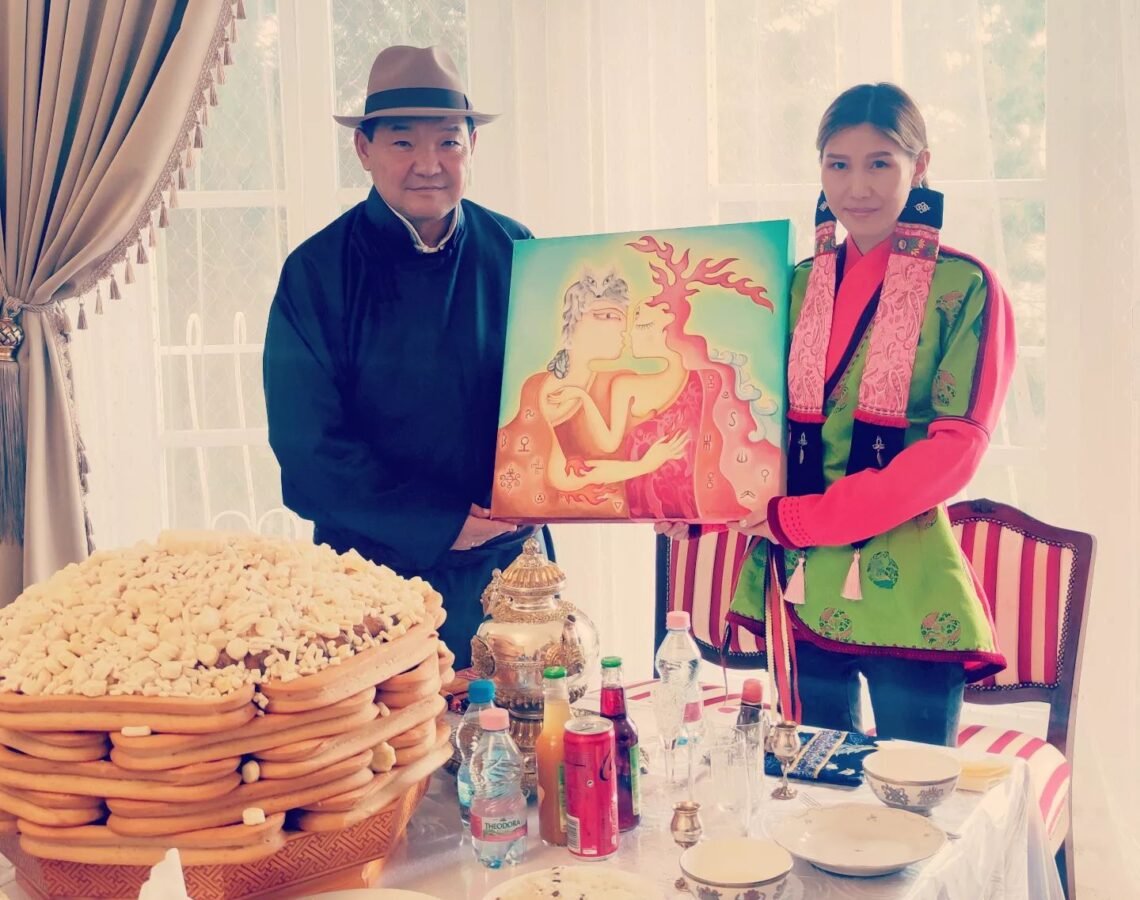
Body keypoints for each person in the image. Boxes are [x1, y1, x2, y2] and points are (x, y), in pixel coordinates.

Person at [667, 83, 1016, 746]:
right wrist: (695, 504)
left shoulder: (964, 285)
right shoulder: (796, 282)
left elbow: (954, 451)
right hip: (800, 579)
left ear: (920, 166)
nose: (857, 186)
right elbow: (756, 421)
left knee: (914, 790)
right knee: (813, 784)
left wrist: (809, 519)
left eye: (880, 162)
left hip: (907, 579)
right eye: (839, 164)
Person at [263, 45, 540, 669]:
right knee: (385, 732)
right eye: (403, 142)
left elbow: (557, 395)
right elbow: (307, 451)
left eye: (448, 142)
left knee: (520, 726)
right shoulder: (316, 272)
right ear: (363, 149)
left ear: (472, 146)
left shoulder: (518, 250)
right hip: (368, 575)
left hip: (507, 567)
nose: (428, 164)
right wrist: (442, 522)